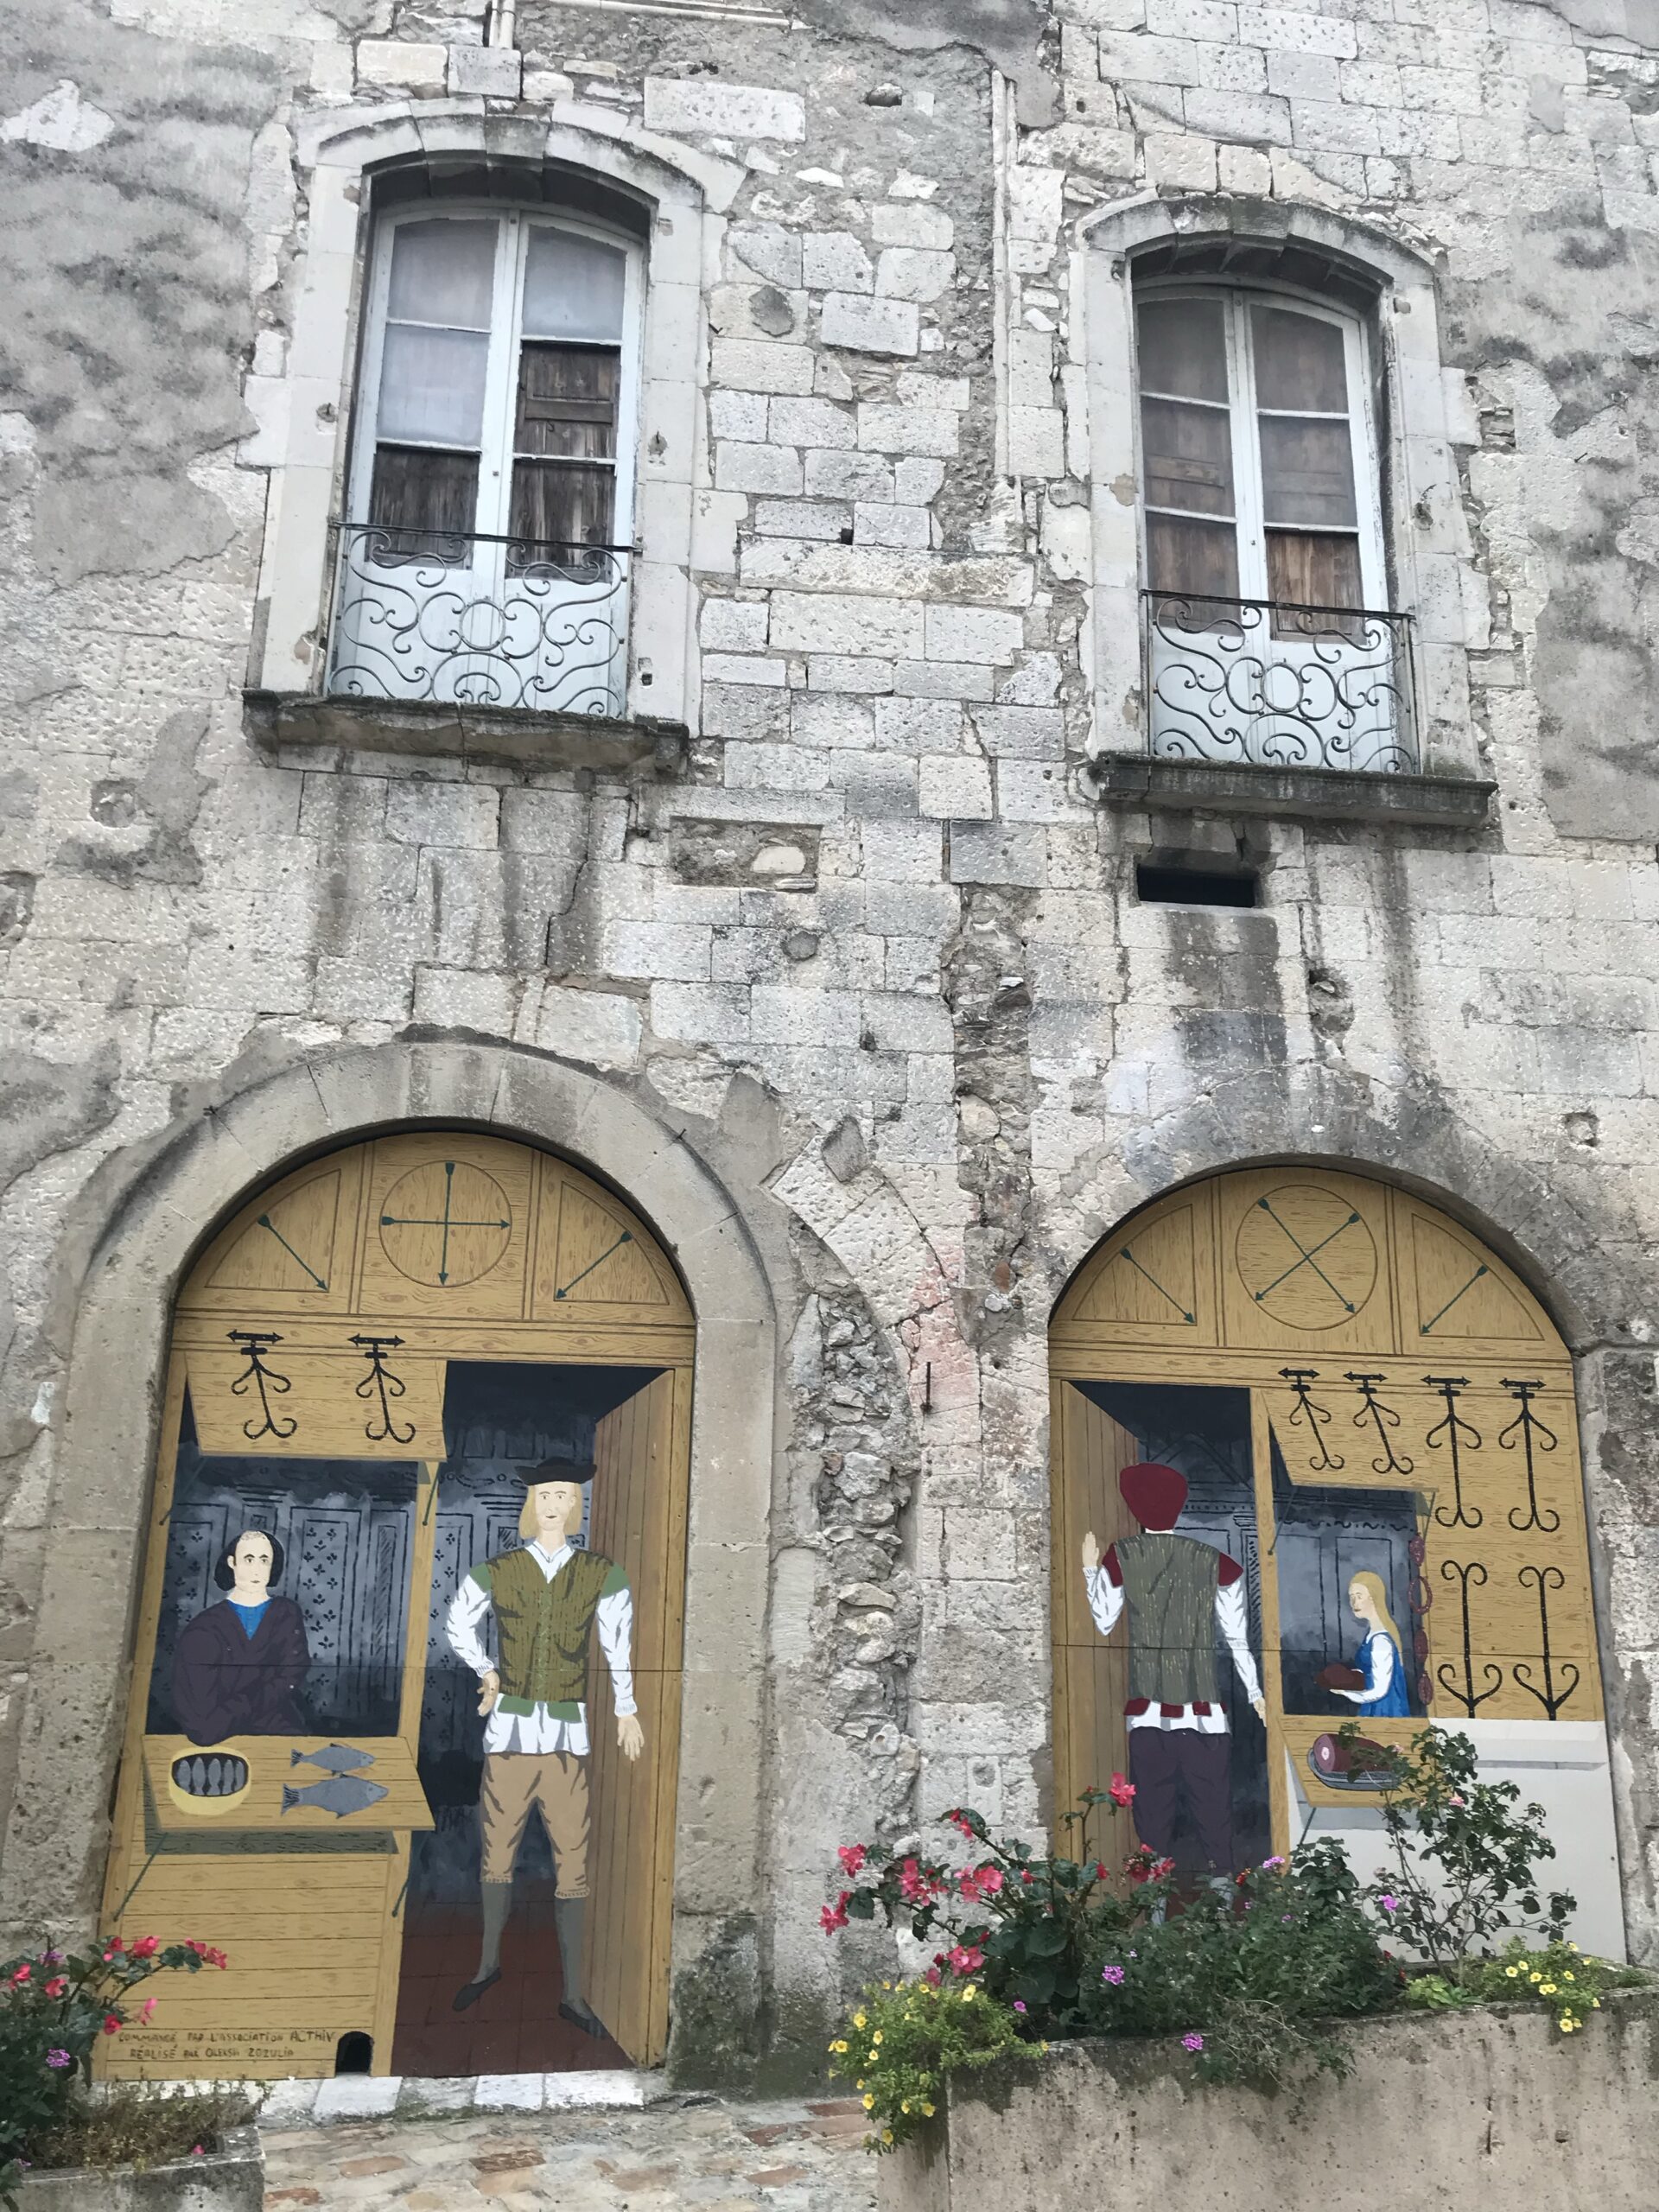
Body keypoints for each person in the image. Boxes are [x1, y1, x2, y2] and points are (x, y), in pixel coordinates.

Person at [443, 1457, 643, 2031]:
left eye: (564, 1496)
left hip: (564, 1740)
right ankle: (488, 1965)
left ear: (576, 1505)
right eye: (545, 1496)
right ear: (532, 1505)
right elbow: (457, 1623)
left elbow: (617, 1645)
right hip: (508, 1736)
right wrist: (487, 1669)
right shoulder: (499, 1569)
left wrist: (626, 1708)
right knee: (496, 1856)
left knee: (572, 1863)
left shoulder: (602, 1573)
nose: (554, 1505)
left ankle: (573, 1993)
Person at [1081, 1460, 1266, 1877]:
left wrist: (1090, 1568)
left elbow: (1104, 1621)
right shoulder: (1215, 1561)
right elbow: (1237, 1638)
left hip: (1147, 1711)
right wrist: (1255, 1694)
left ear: (1134, 1506)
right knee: (1213, 1809)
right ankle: (1222, 1886)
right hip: (1205, 1712)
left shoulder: (1122, 1555)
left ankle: (1154, 1896)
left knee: (1152, 1812)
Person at [171, 1529, 311, 1746]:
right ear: (232, 1563)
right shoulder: (204, 1628)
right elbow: (201, 1721)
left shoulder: (286, 1613)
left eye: (264, 1560)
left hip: (278, 1730)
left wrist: (240, 1708)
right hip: (220, 1735)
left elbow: (291, 1674)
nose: (257, 1569)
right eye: (249, 1559)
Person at [1319, 1571, 1411, 1718]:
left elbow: (1379, 1690)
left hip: (1384, 1710)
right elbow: (1370, 1672)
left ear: (1373, 1597)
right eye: (1351, 1597)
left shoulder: (1381, 1641)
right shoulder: (1371, 1635)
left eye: (1359, 1596)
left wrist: (1346, 1693)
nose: (1354, 1602)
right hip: (1373, 1706)